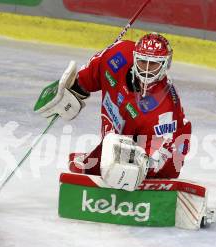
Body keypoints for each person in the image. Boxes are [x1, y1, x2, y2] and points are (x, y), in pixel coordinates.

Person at [35, 32, 191, 191]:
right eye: (143, 62)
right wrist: (75, 89)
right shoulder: (118, 55)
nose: (146, 70)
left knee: (126, 170)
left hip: (167, 147)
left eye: (153, 64)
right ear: (135, 57)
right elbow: (91, 74)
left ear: (166, 64)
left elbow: (162, 154)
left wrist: (141, 166)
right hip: (117, 139)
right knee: (90, 168)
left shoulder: (164, 107)